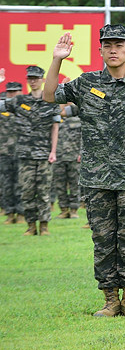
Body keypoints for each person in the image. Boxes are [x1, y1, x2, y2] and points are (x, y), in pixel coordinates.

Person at [44, 24, 125, 318]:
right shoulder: (85, 83)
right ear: (100, 50)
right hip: (97, 179)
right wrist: (57, 59)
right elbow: (48, 96)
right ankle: (110, 299)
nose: (113, 50)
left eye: (118, 45)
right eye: (107, 45)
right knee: (103, 239)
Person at [0, 66, 59, 236]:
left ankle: (44, 225)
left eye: (36, 78)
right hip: (25, 154)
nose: (32, 81)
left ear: (42, 80)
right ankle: (31, 225)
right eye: (30, 78)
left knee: (43, 192)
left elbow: (55, 128)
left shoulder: (51, 101)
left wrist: (53, 151)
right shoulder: (19, 101)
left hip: (44, 154)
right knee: (27, 191)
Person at [53, 103, 82, 218]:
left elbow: (83, 137)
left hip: (74, 156)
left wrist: (81, 152)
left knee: (75, 184)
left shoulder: (77, 118)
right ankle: (64, 209)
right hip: (59, 156)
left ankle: (74, 209)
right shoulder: (55, 119)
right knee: (59, 184)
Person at [0, 81, 23, 225]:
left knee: (21, 184)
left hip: (21, 152)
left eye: (15, 91)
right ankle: (9, 212)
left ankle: (21, 213)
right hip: (4, 152)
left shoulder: (25, 107)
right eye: (10, 91)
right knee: (6, 184)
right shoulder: (2, 109)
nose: (12, 94)